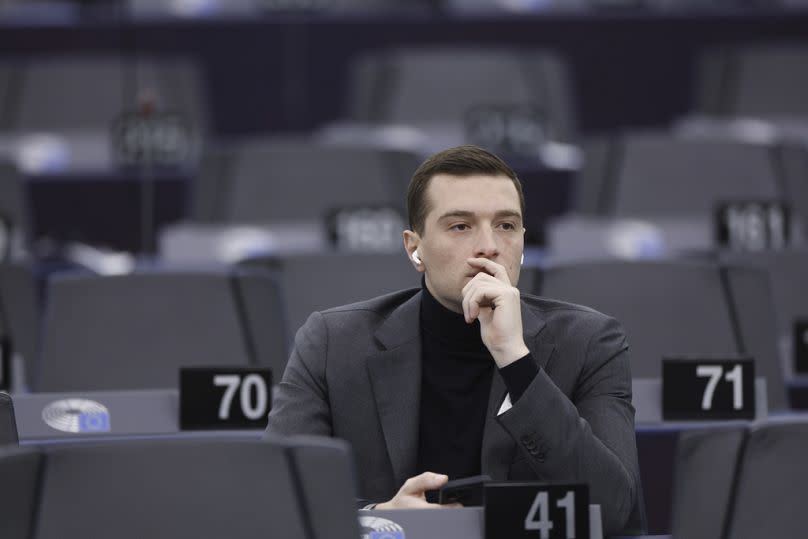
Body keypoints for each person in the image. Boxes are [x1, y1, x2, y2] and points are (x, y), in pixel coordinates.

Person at [266, 145, 642, 535]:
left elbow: (613, 510)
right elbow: (276, 499)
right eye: (460, 226)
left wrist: (515, 359)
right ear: (414, 248)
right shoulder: (333, 343)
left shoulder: (591, 342)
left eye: (506, 226)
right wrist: (381, 517)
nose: (488, 246)